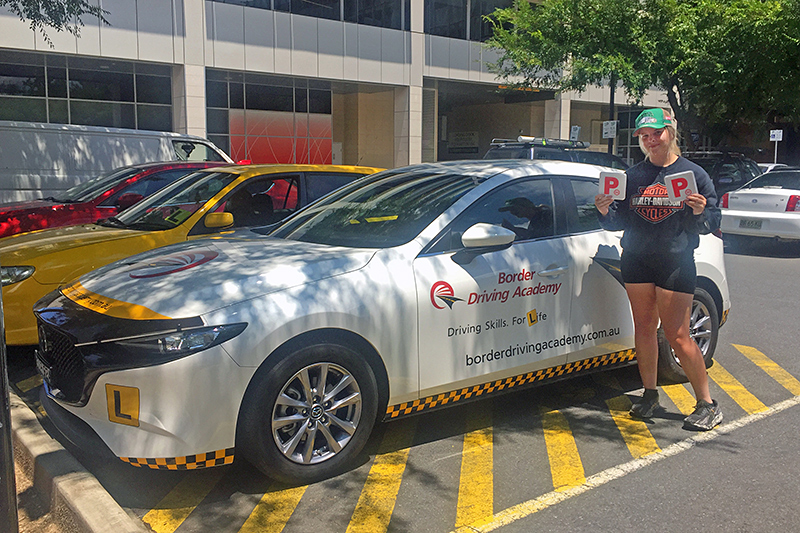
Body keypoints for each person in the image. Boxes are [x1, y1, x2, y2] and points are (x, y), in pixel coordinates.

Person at [594, 108, 723, 431]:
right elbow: (621, 221)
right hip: (636, 260)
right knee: (644, 329)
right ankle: (649, 395)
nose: (652, 141)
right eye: (645, 136)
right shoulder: (633, 176)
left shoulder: (693, 174)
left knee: (678, 335)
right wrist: (604, 211)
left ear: (670, 132)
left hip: (675, 262)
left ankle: (708, 404)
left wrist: (701, 210)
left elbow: (710, 224)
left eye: (657, 134)